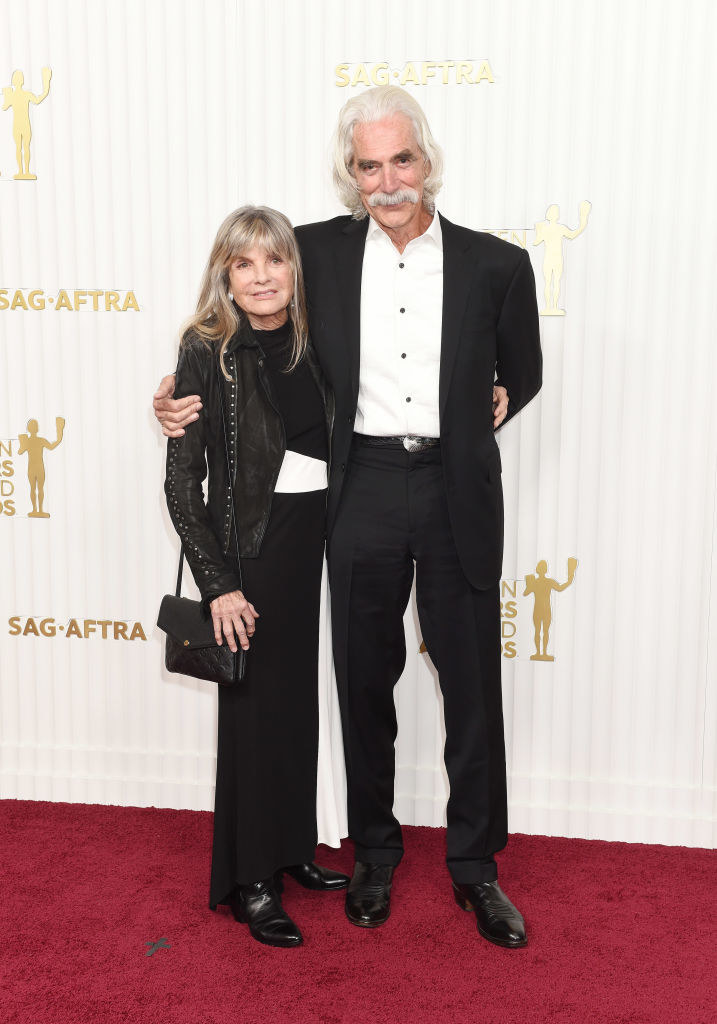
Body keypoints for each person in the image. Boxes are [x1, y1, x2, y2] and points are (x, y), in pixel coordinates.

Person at [155, 86, 541, 949]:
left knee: (472, 684)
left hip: (455, 491)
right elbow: (241, 335)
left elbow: (524, 370)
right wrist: (179, 396)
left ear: (426, 160)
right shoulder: (315, 254)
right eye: (368, 166)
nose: (387, 179)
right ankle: (373, 851)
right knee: (363, 680)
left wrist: (499, 398)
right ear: (351, 176)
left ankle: (476, 870)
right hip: (357, 486)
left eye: (400, 159)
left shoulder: (496, 264)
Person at [163, 205, 348, 949]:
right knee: (253, 713)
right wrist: (219, 586)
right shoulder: (206, 347)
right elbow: (183, 485)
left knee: (294, 701)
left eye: (274, 260)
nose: (262, 276)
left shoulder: (317, 337)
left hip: (314, 541)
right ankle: (252, 881)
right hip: (248, 550)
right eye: (245, 263)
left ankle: (289, 846)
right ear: (226, 275)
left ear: (292, 269)